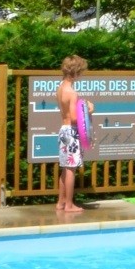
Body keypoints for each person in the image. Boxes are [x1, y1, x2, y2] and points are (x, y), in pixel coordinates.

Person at [55, 55, 92, 213]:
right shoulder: (72, 92)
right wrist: (89, 109)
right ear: (76, 72)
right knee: (71, 169)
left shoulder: (60, 87)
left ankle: (61, 202)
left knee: (65, 168)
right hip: (71, 132)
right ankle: (69, 205)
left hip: (63, 130)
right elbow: (76, 118)